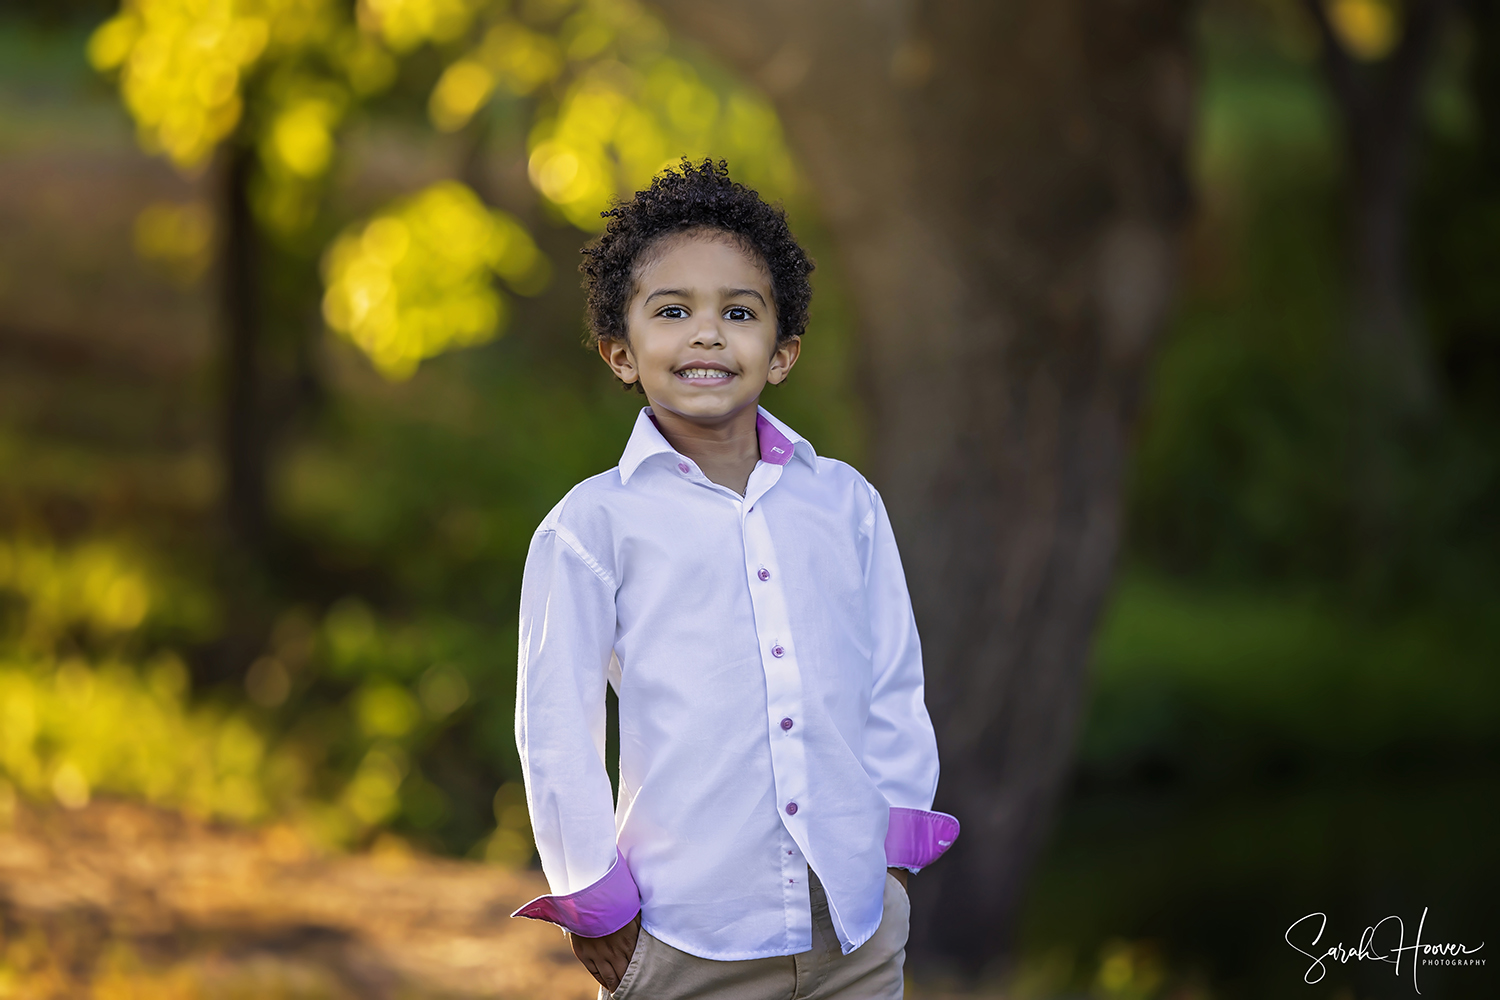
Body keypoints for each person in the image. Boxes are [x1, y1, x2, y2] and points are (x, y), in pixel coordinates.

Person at [511, 159, 958, 1000]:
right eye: (672, 311)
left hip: (852, 929)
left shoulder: (846, 503)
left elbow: (892, 684)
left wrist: (892, 864)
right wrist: (594, 902)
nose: (708, 334)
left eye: (739, 313)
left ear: (781, 354)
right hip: (689, 938)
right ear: (620, 353)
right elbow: (556, 728)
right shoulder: (591, 529)